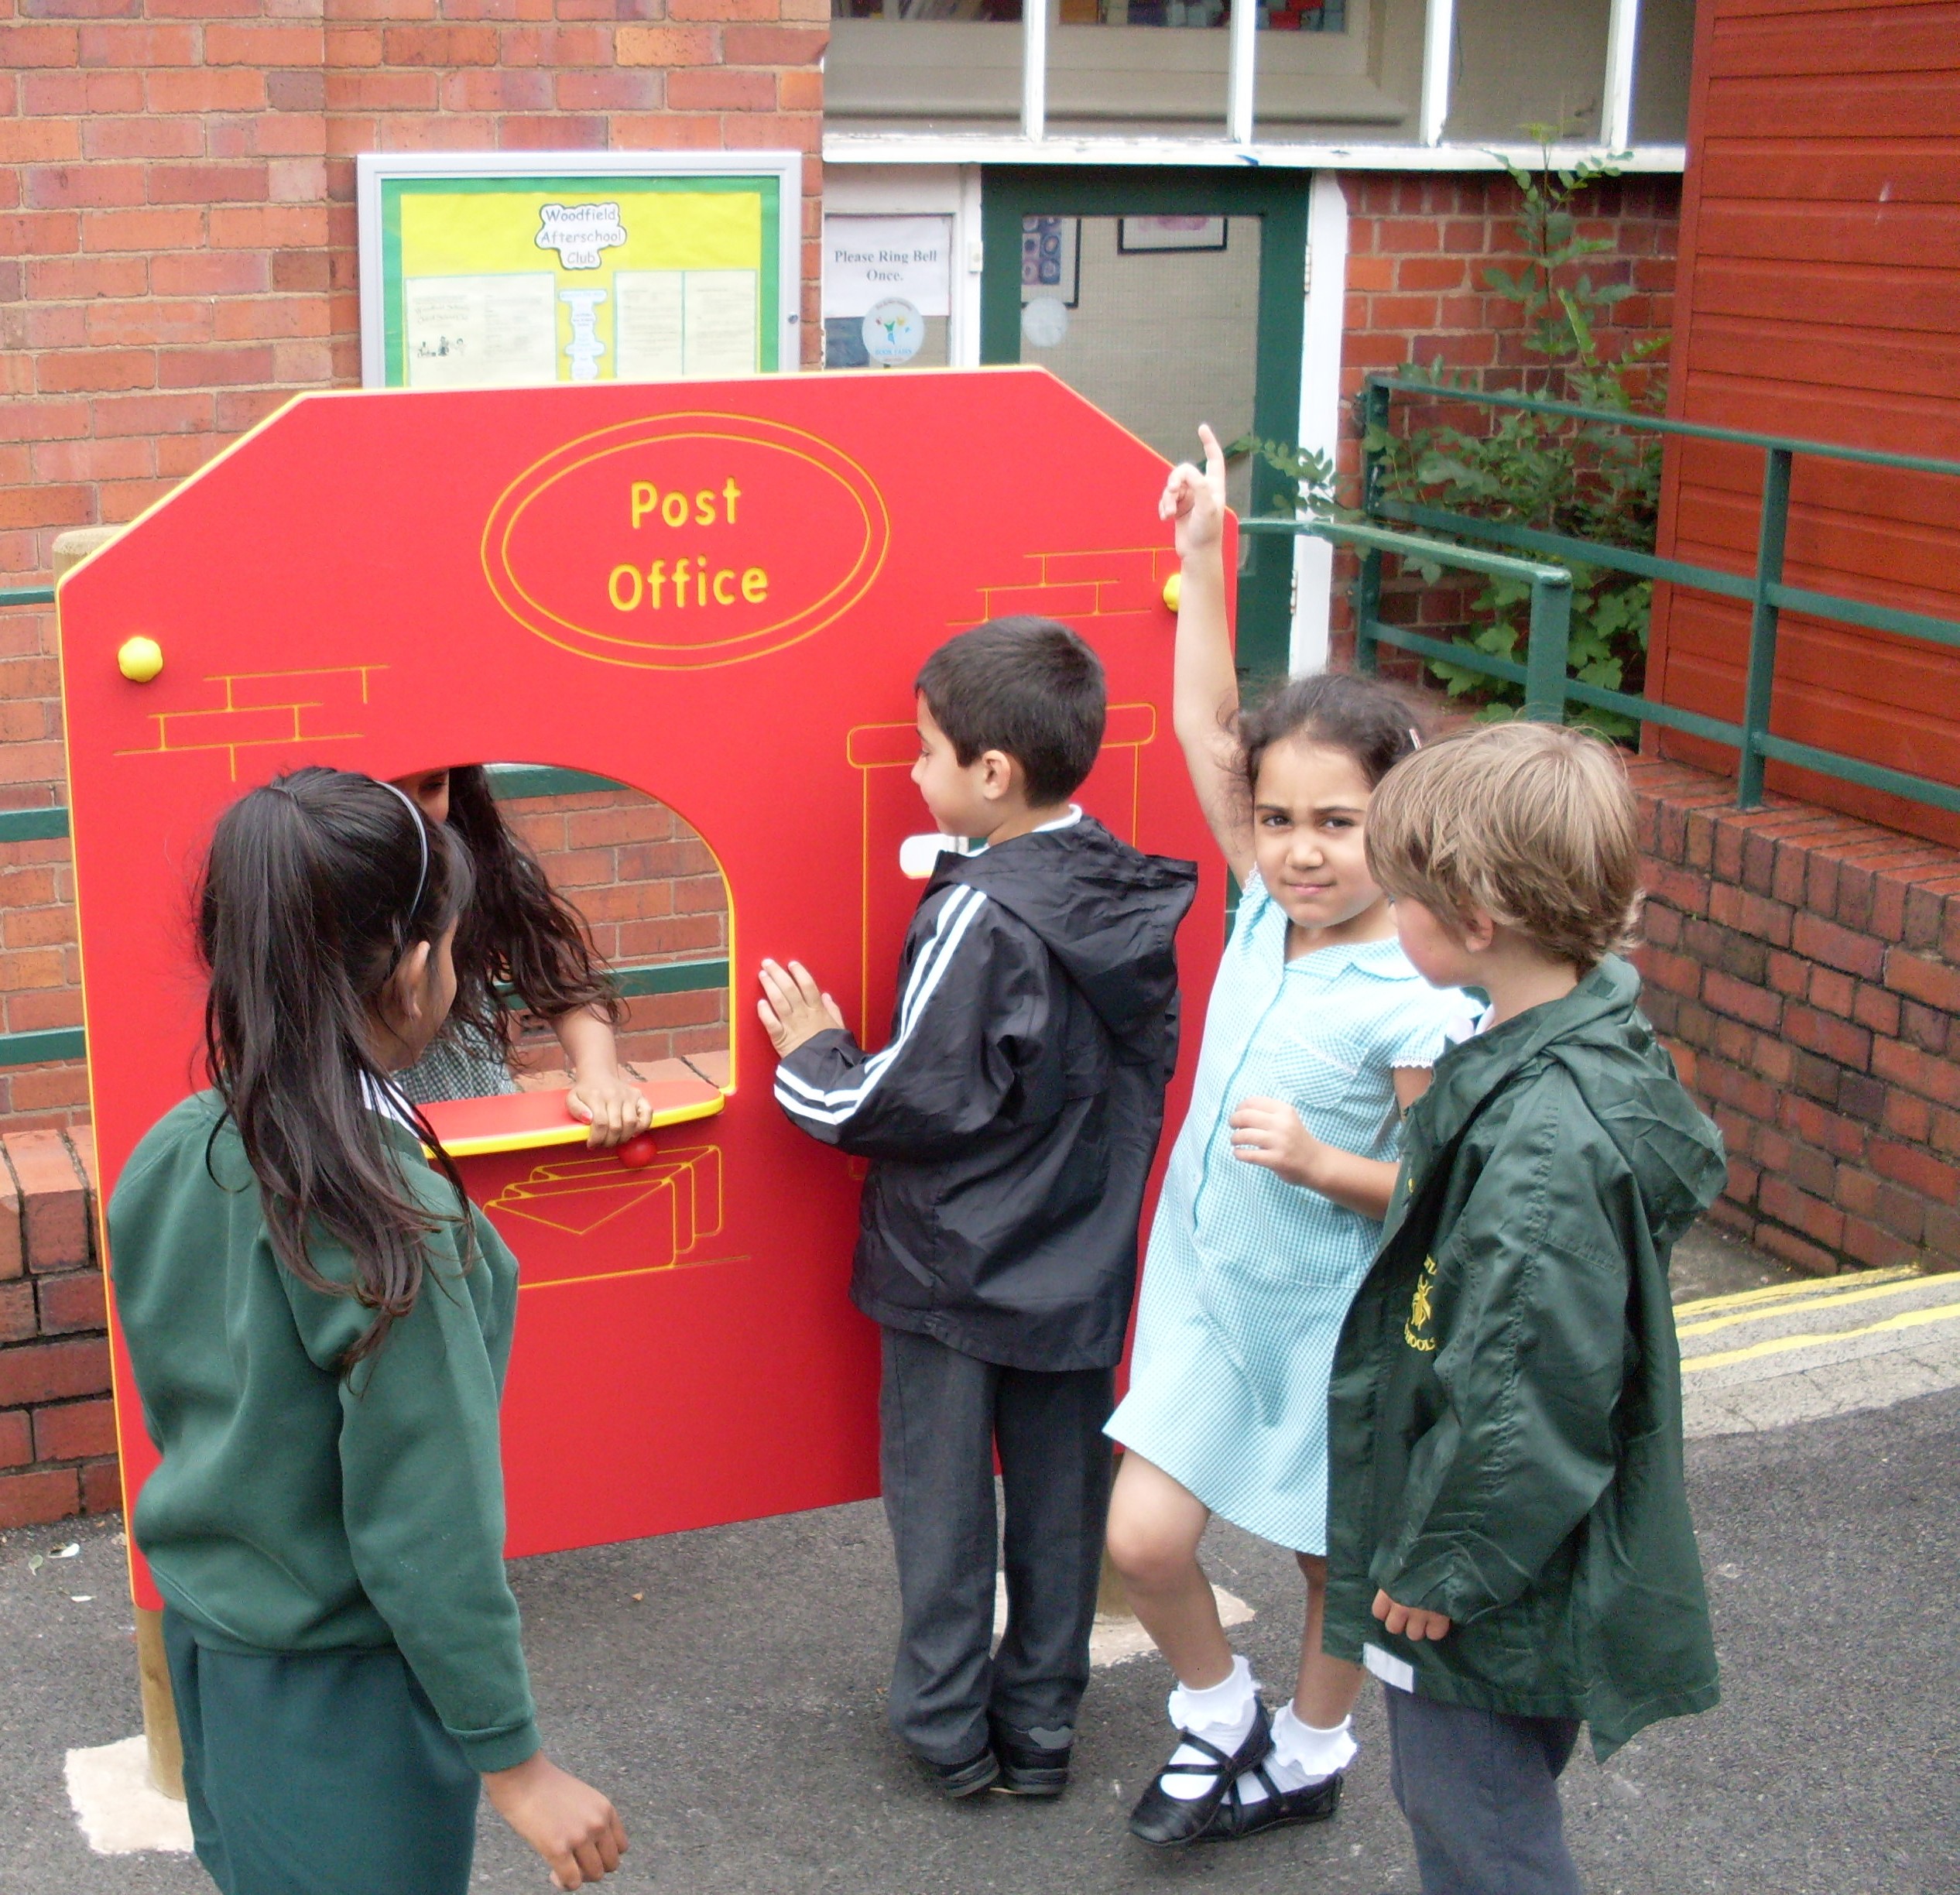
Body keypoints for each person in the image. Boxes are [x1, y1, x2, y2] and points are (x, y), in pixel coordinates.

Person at [108, 768, 628, 1895]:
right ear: (412, 968)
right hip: (343, 1695)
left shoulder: (175, 1149)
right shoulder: (383, 1222)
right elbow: (424, 1520)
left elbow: (188, 1400)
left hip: (213, 1645)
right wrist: (516, 1760)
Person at [756, 618, 1198, 1800]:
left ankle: (948, 1732)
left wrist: (814, 1056)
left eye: (925, 751)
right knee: (1061, 1502)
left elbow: (910, 1095)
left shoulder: (981, 914)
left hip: (959, 1267)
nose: (912, 771)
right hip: (1083, 1256)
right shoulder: (1117, 886)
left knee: (945, 1509)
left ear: (990, 776)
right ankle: (1042, 1727)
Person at [1102, 426, 1466, 1849]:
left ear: (1402, 819)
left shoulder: (1422, 983)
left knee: (1332, 1561)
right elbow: (1205, 726)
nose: (1301, 849)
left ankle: (1311, 1748)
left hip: (1331, 1320)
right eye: (1277, 820)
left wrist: (1326, 1163)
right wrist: (1203, 560)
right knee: (1143, 1539)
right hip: (1206, 1298)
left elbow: (1438, 1194)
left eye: (1338, 822)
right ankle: (1216, 1713)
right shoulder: (1261, 902)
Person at [1324, 720, 1728, 1895]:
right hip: (1524, 1557)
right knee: (1473, 1807)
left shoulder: (1540, 1142)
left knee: (1475, 1823)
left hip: (1484, 1577)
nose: (1388, 916)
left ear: (1478, 919)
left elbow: (1519, 1397)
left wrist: (1443, 1565)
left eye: (1404, 899)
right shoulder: (1572, 1039)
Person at [389, 764, 648, 1146]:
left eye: (433, 787)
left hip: (474, 1104)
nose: (416, 815)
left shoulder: (478, 860)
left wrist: (599, 1076)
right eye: (388, 791)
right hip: (368, 1122)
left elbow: (563, 981)